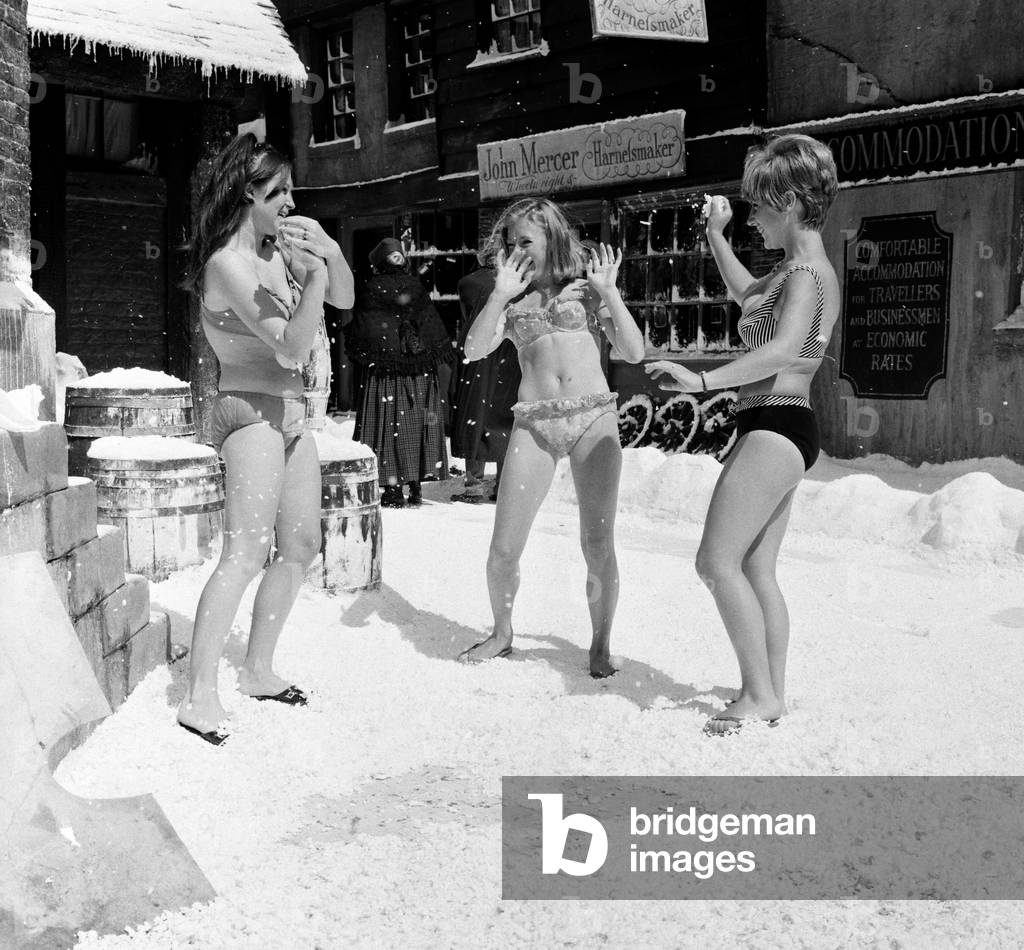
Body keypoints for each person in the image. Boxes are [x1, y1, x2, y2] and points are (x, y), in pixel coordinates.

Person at [645, 133, 840, 735]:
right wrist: (715, 236)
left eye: (759, 206)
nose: (753, 218)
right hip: (779, 424)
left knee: (714, 561)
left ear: (790, 202)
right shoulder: (793, 272)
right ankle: (768, 690)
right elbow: (744, 295)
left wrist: (701, 382)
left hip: (777, 420)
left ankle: (759, 695)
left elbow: (781, 349)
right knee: (754, 568)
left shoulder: (805, 272)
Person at [178, 133, 354, 744]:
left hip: (290, 411)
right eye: (277, 191)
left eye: (290, 189)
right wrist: (311, 283)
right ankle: (198, 697)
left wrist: (327, 255)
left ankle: (257, 669)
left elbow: (346, 297)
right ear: (243, 194)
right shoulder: (227, 262)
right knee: (245, 553)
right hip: (248, 411)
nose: (289, 201)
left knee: (301, 544)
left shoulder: (278, 249)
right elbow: (291, 343)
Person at [458, 198, 645, 677]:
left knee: (597, 543)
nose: (518, 249)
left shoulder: (586, 291)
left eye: (527, 241)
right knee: (504, 546)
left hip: (592, 417)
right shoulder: (512, 300)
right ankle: (501, 633)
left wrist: (611, 292)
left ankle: (600, 644)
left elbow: (633, 350)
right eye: (511, 242)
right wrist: (498, 296)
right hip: (535, 422)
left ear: (552, 241)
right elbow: (474, 350)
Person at [346, 238, 453, 508]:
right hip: (418, 370)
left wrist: (374, 349)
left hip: (386, 372)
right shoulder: (415, 286)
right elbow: (430, 325)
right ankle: (415, 479)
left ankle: (392, 486)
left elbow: (363, 332)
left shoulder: (371, 288)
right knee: (417, 422)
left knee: (388, 423)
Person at [450, 266, 521, 503]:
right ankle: (502, 484)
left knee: (475, 416)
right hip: (510, 353)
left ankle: (474, 484)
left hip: (478, 352)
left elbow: (467, 317)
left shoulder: (468, 282)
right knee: (506, 416)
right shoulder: (520, 283)